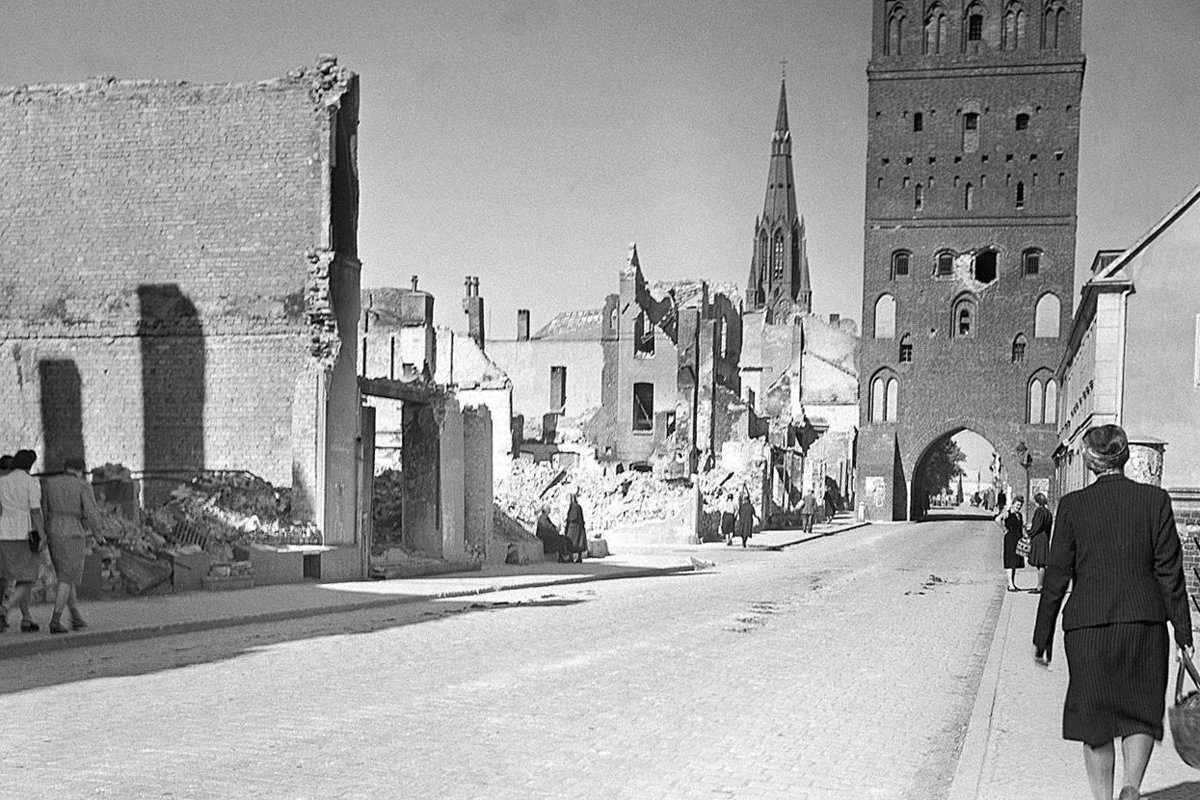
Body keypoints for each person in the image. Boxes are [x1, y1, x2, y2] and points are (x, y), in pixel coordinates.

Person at [1033, 425, 1194, 800]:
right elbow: (1170, 573)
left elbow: (1056, 576)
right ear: (1124, 458)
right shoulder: (1154, 501)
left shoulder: (1072, 506)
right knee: (1141, 712)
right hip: (1144, 624)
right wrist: (1183, 634)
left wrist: (1043, 636)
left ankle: (1104, 798)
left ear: (1091, 462)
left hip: (1088, 628)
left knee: (1095, 720)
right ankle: (1131, 787)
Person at [42, 458, 106, 633]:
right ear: (80, 471)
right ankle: (55, 620)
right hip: (73, 534)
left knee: (65, 575)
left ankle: (76, 616)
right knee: (67, 578)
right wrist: (99, 535)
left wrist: (45, 532)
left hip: (53, 532)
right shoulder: (83, 486)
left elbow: (44, 510)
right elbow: (91, 513)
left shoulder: (49, 483)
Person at [0, 449, 46, 632]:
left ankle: (25, 617)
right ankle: (5, 607)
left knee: (9, 575)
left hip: (4, 533)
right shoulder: (31, 482)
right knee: (29, 576)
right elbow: (35, 511)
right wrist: (42, 534)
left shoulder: (2, 481)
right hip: (24, 533)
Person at [1025, 492, 1052, 594]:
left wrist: (1029, 532)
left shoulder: (1039, 512)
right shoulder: (1048, 513)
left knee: (1040, 563)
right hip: (1044, 537)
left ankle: (1040, 586)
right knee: (1041, 563)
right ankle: (1041, 585)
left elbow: (1036, 526)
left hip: (1039, 538)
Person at [1001, 495, 1025, 591]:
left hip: (1017, 539)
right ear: (1013, 504)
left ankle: (1012, 583)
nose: (1018, 507)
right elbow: (997, 519)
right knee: (1010, 561)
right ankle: (1010, 584)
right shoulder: (1008, 513)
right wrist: (1004, 529)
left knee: (1015, 562)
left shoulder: (1019, 515)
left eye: (1020, 505)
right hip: (1010, 539)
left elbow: (1021, 527)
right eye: (1017, 505)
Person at [564, 491, 587, 563]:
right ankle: (579, 557)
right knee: (578, 542)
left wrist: (567, 520)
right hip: (579, 527)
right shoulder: (578, 506)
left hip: (573, 528)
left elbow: (573, 517)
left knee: (571, 541)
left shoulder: (573, 507)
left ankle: (571, 557)